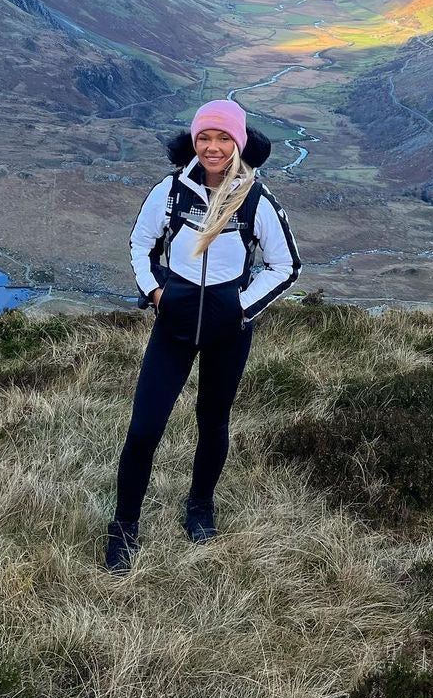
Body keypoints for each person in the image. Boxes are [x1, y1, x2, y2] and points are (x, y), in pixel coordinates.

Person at [103, 98, 302, 572]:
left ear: (239, 142)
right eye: (204, 137)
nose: (213, 147)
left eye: (223, 137)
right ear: (193, 141)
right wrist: (156, 292)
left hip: (228, 334)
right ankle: (124, 527)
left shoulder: (256, 199)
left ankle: (200, 509)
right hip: (172, 328)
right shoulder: (171, 192)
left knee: (212, 424)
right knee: (144, 429)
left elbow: (285, 265)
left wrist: (241, 307)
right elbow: (140, 243)